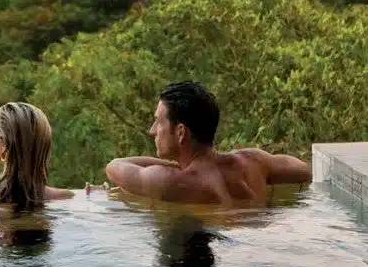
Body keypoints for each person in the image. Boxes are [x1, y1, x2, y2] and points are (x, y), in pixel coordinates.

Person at [101, 81, 311, 205]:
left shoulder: (172, 182)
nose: (152, 131)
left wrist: (175, 166)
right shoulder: (254, 161)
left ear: (181, 132)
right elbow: (304, 171)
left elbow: (115, 166)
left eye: (158, 122)